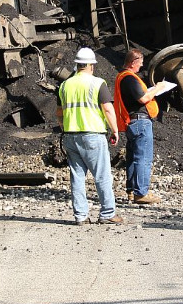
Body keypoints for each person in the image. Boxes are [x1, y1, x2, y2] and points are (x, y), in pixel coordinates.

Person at [56, 47, 124, 225]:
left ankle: (80, 216)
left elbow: (59, 114)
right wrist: (115, 130)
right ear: (91, 65)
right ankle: (108, 213)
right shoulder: (97, 83)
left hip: (70, 137)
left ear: (77, 65)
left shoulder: (64, 85)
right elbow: (108, 109)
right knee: (102, 175)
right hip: (92, 135)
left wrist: (66, 128)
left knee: (77, 178)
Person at [114, 48, 166, 205]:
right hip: (140, 122)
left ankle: (131, 191)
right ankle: (141, 193)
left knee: (132, 158)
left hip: (131, 122)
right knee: (143, 157)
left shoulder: (121, 77)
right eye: (140, 64)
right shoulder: (129, 78)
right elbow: (143, 99)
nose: (141, 67)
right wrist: (158, 88)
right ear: (133, 62)